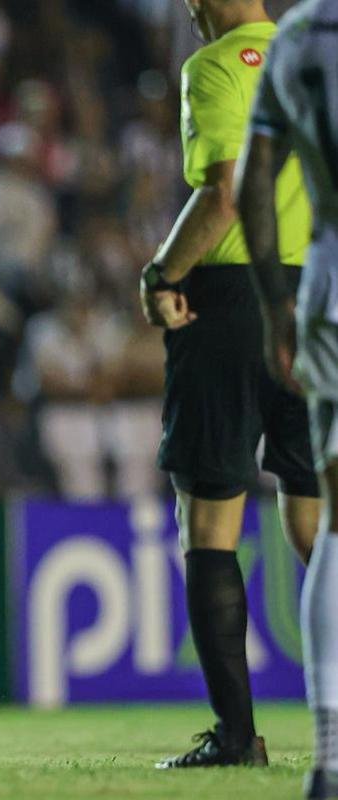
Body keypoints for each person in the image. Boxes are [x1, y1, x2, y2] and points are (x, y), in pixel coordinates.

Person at [137, 0, 320, 768]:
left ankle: (237, 738)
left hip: (235, 300)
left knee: (210, 525)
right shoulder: (315, 59)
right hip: (318, 298)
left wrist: (162, 271)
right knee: (319, 527)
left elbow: (223, 192)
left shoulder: (214, 66)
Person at [235, 2, 338, 795]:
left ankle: (331, 757)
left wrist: (278, 308)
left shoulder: (296, 38)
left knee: (335, 519)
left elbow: (253, 179)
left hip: (325, 296)